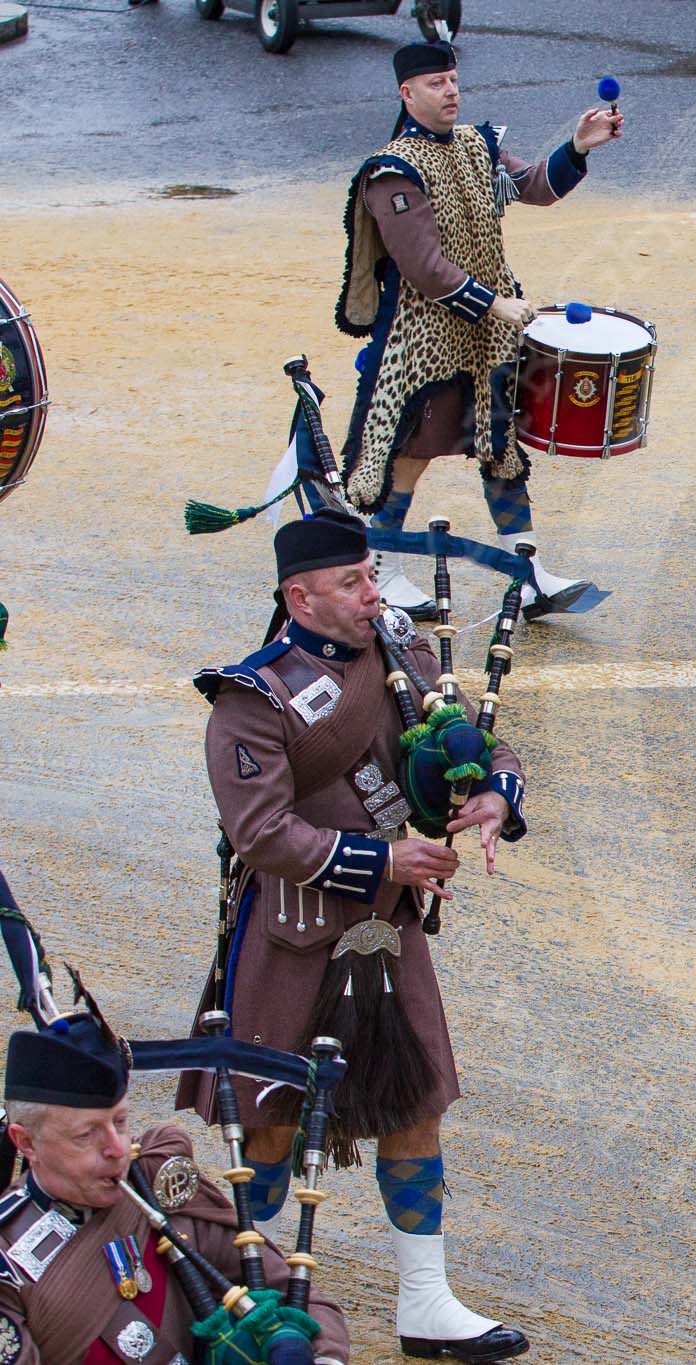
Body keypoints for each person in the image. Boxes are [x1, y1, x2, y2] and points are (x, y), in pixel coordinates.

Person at [178, 509, 531, 1362]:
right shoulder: (250, 696)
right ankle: (248, 1297)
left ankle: (426, 1301)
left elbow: (484, 745)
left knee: (414, 1105)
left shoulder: (403, 656)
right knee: (266, 1122)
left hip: (387, 925)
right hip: (292, 938)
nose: (374, 593)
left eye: (372, 575)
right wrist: (382, 857)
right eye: (352, 582)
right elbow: (262, 834)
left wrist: (496, 793)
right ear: (299, 596)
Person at [336, 41, 622, 621]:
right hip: (423, 342)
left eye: (453, 80)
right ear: (406, 93)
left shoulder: (477, 145)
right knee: (408, 455)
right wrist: (497, 305)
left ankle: (529, 572)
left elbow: (535, 187)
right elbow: (423, 266)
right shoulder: (393, 171)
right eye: (436, 84)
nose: (451, 92)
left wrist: (577, 147)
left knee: (501, 450)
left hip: (487, 336)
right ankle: (383, 568)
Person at [0, 1000, 350, 1363]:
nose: (117, 1149)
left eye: (120, 1122)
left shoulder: (157, 1182)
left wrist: (317, 1354)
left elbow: (299, 1297)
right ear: (25, 1142)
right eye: (87, 1135)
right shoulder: (6, 1254)